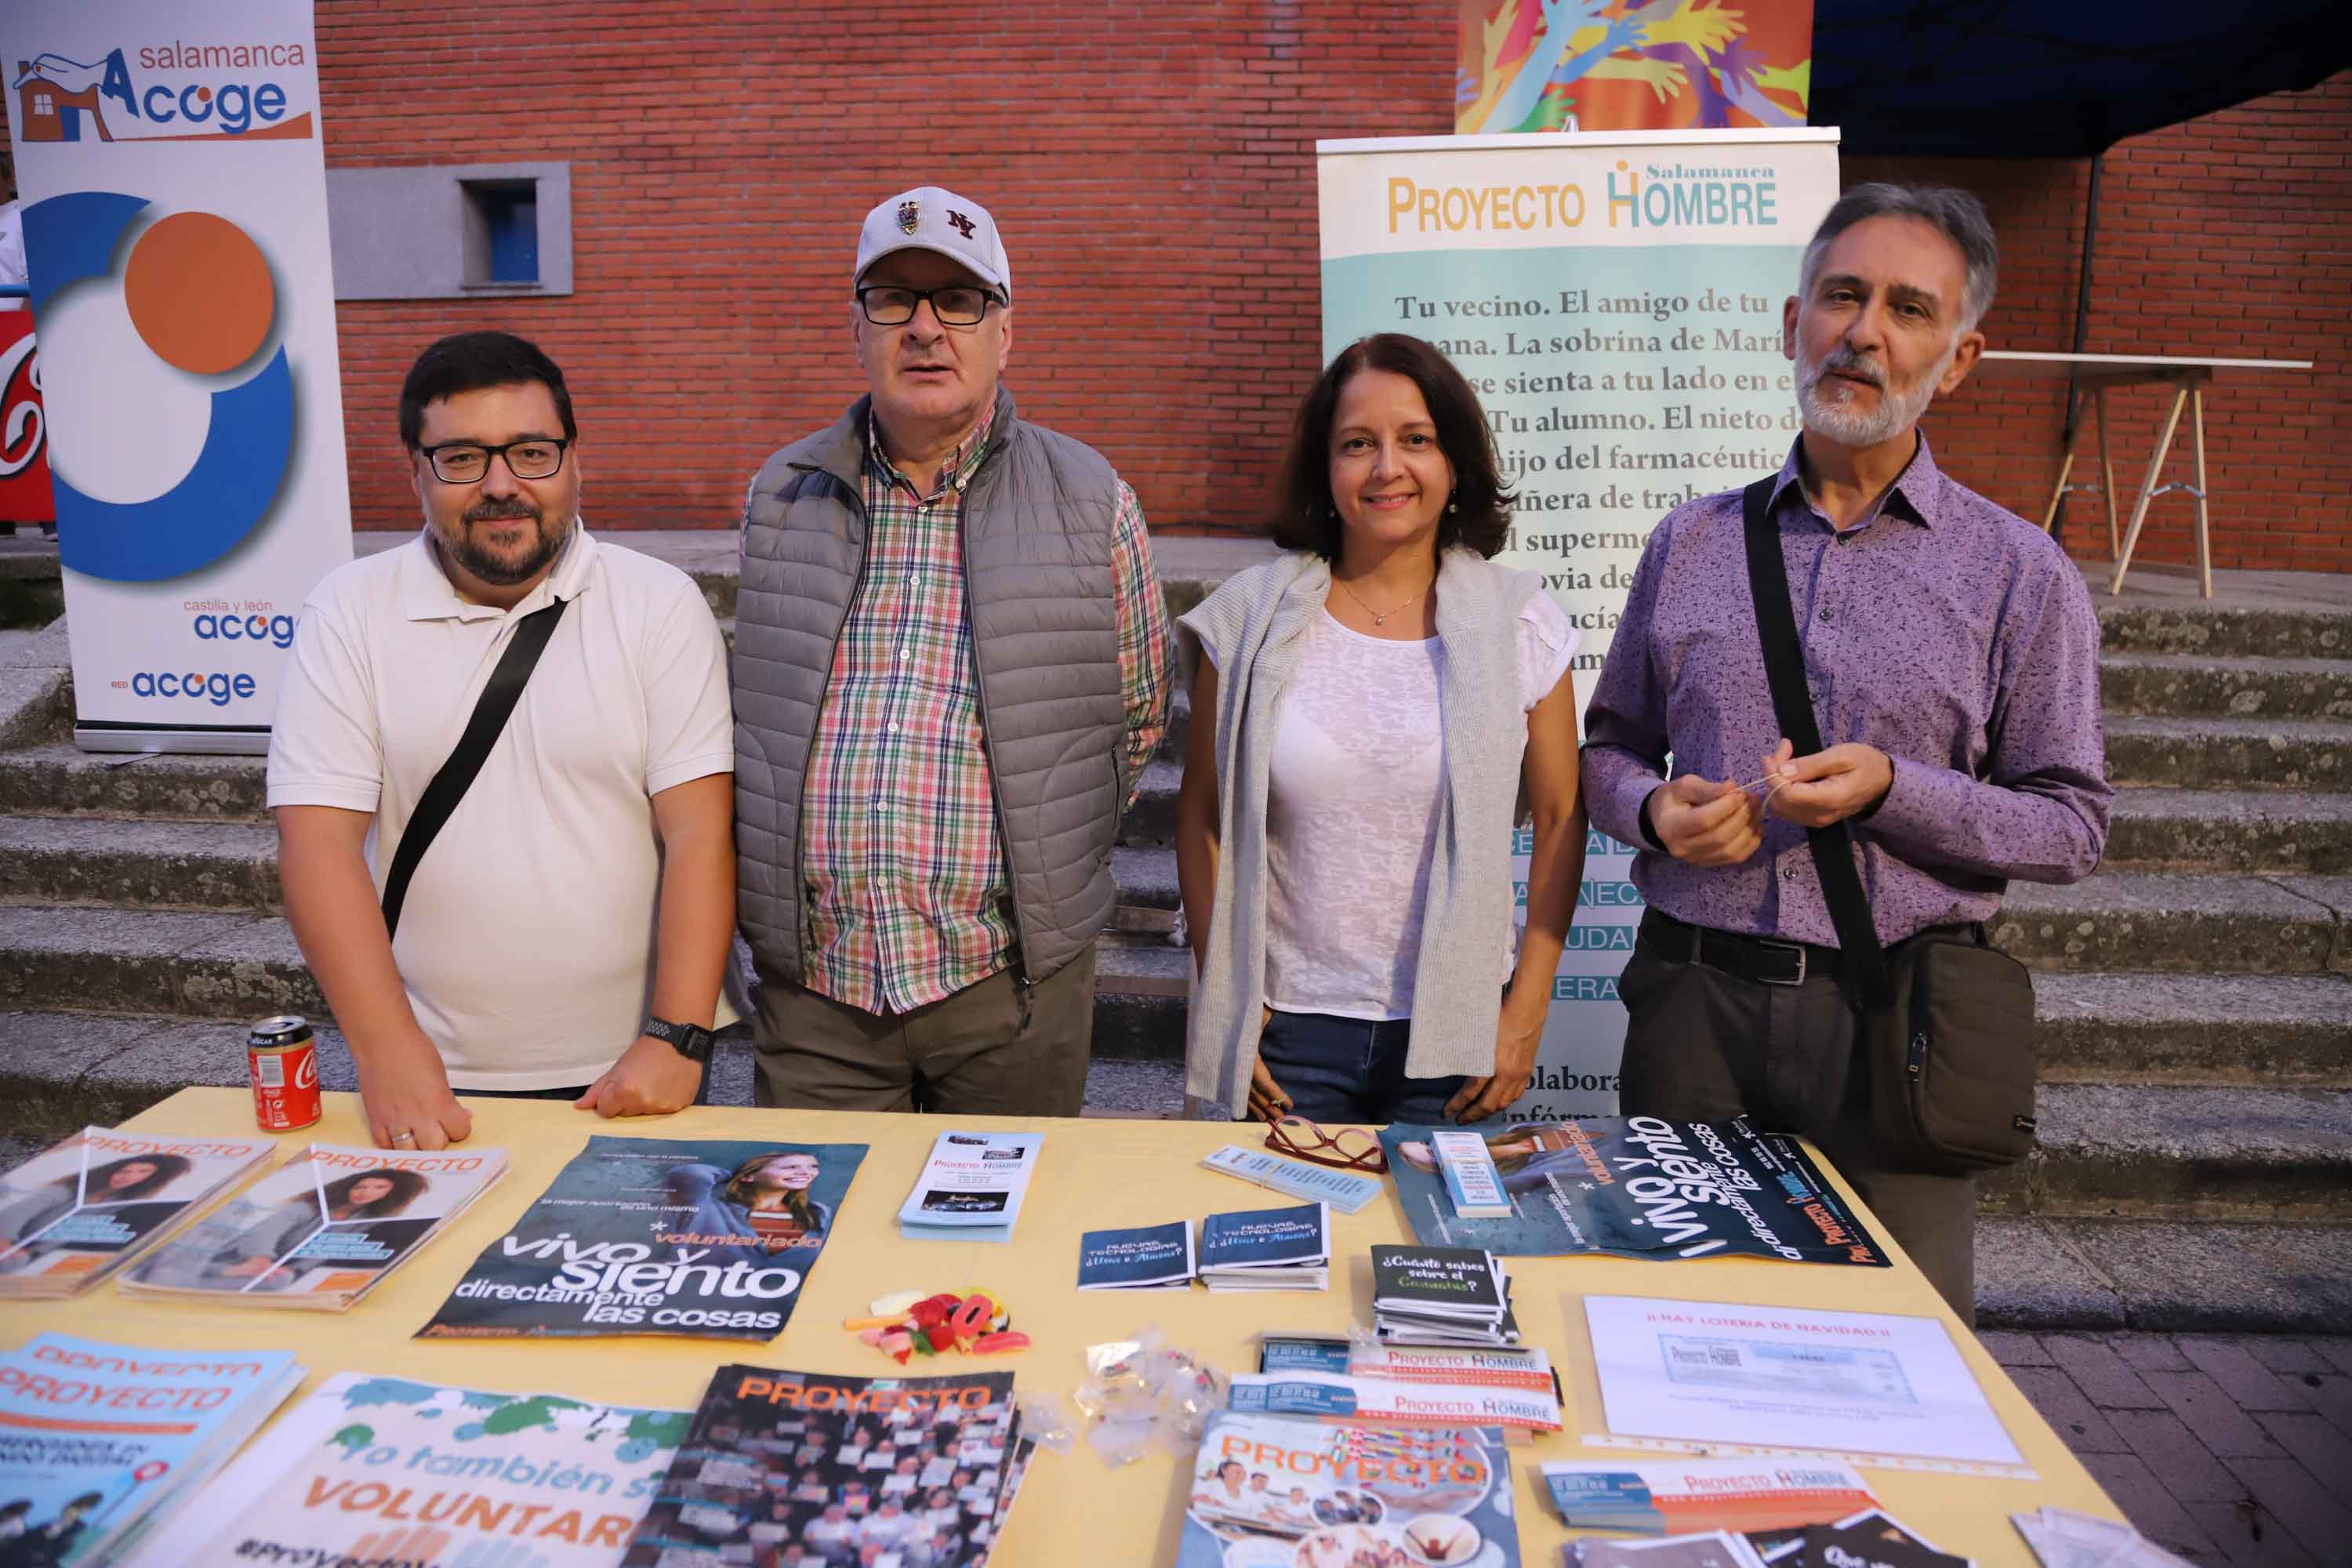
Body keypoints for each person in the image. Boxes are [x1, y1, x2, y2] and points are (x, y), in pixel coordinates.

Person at [1581, 183, 2112, 1322]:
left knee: (1903, 1354)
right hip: (1693, 1011)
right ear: (1793, 323)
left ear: (1958, 358)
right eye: (1842, 295)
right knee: (1671, 1330)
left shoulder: (2020, 575)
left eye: (1908, 309)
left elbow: (2071, 824)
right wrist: (1651, 811)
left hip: (1899, 1025)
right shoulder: (1691, 541)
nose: (1865, 331)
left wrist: (1893, 790)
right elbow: (1607, 746)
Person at [735, 185, 1174, 1118]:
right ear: (856, 330)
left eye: (959, 300)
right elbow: (755, 715)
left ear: (1004, 332)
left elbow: (1133, 720)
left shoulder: (1092, 501)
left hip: (1008, 992)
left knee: (1001, 1253)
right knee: (818, 1245)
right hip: (820, 995)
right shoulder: (781, 496)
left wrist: (1046, 868)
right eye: (894, 300)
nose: (926, 328)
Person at [269, 331, 736, 1150]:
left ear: (573, 458)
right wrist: (386, 1049)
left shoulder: (659, 604)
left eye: (530, 452)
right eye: (460, 459)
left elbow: (699, 830)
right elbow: (318, 843)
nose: (501, 486)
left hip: (641, 1070)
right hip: (431, 1075)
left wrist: (678, 1036)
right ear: (414, 467)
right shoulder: (348, 611)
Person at [1177, 332, 1586, 1127]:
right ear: (1326, 471)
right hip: (1288, 1032)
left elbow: (1563, 816)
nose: (1386, 467)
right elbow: (1201, 817)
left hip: (1459, 1036)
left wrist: (1526, 1008)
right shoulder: (1250, 619)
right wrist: (1228, 996)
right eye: (1357, 443)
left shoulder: (1521, 623)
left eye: (1416, 440)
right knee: (1282, 1247)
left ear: (1455, 462)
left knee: (1434, 1248)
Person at [0, 1152, 191, 1268]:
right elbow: (16, 1213)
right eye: (124, 1170)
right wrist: (7, 1242)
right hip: (11, 1243)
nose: (127, 1177)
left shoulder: (118, 1204)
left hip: (36, 1256)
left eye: (142, 1172)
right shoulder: (66, 1189)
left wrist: (32, 1255)